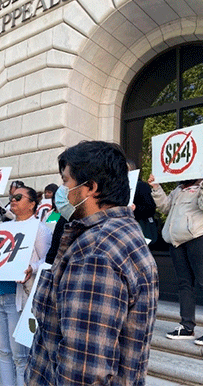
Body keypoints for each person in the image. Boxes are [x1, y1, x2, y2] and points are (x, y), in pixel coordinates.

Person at [26, 141, 159, 385]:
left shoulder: (96, 252)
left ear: (90, 188)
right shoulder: (120, 234)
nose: (62, 191)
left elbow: (83, 370)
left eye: (66, 181)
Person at [0, 186, 51, 386]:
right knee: (3, 352)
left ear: (32, 204)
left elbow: (48, 261)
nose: (13, 200)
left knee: (20, 356)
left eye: (19, 197)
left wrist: (32, 267)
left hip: (18, 298)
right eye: (12, 197)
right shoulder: (4, 227)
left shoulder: (40, 229)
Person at [149, 167, 203, 345]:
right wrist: (156, 188)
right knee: (184, 284)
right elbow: (166, 208)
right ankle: (186, 325)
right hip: (177, 242)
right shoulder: (179, 189)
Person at [127, 159, 158, 244]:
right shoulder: (119, 187)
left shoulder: (141, 186)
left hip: (139, 229)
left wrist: (136, 208)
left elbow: (150, 208)